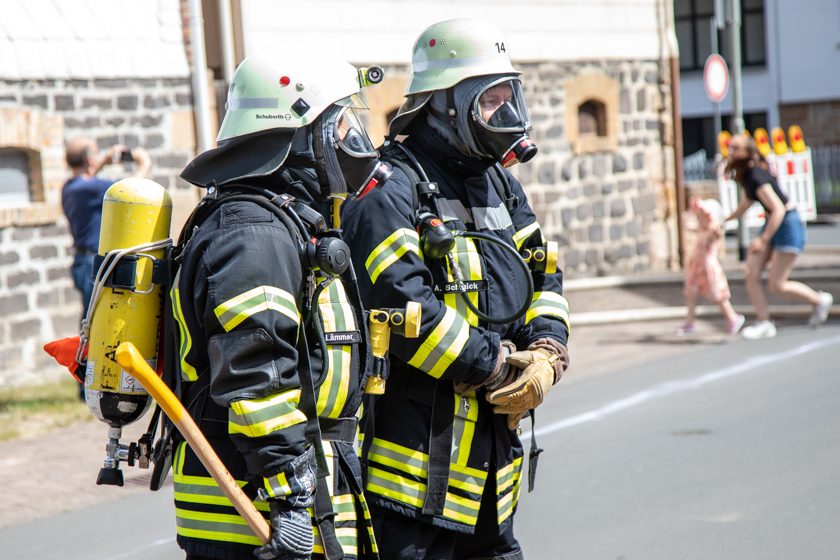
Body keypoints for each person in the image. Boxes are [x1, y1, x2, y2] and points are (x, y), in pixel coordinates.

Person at [341, 19, 570, 560]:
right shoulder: (387, 189)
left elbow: (545, 275)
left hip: (489, 485)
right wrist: (497, 367)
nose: (505, 114)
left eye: (507, 95)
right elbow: (403, 310)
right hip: (412, 492)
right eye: (488, 100)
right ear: (446, 105)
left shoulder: (498, 182)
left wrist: (547, 350)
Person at [172, 47, 383, 559]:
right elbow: (254, 371)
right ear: (302, 136)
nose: (352, 142)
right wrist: (290, 495)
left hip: (296, 498)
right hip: (258, 516)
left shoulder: (278, 222)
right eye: (339, 126)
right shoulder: (252, 234)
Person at [62, 137, 151, 399]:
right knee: (96, 325)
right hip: (91, 263)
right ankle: (88, 382)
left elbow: (89, 175)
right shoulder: (89, 189)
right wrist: (143, 163)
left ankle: (86, 380)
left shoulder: (70, 186)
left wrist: (101, 160)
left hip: (83, 261)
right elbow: (130, 191)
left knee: (89, 322)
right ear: (89, 159)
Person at [724, 134, 833, 339]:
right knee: (751, 272)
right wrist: (725, 220)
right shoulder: (748, 175)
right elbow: (745, 205)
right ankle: (764, 321)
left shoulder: (756, 175)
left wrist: (763, 239)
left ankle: (818, 300)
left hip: (787, 224)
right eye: (731, 148)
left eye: (736, 148)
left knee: (777, 284)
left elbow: (778, 209)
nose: (732, 152)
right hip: (774, 223)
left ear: (748, 152)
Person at [677, 197, 745, 335]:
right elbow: (687, 223)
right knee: (692, 293)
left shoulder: (711, 231)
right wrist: (694, 211)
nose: (700, 218)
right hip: (697, 266)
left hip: (708, 268)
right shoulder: (701, 229)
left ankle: (732, 317)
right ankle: (690, 322)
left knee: (717, 295)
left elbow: (716, 236)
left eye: (703, 216)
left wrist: (716, 229)